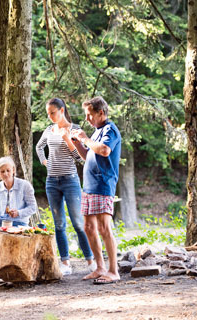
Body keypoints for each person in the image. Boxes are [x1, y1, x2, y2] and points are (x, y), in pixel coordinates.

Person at [35, 98, 95, 276]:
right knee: (59, 224)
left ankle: (90, 261)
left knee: (78, 223)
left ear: (62, 110)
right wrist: (45, 162)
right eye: (48, 113)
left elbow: (80, 158)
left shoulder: (74, 129)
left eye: (53, 112)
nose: (50, 116)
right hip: (52, 182)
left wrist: (68, 140)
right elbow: (39, 147)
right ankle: (66, 263)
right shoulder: (49, 130)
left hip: (70, 181)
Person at [70, 96, 121, 284]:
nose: (87, 119)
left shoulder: (110, 130)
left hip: (103, 184)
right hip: (89, 187)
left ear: (101, 113)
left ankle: (113, 270)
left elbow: (105, 151)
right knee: (89, 227)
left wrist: (85, 138)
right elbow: (88, 155)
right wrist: (77, 143)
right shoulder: (96, 132)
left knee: (104, 227)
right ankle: (100, 268)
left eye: (90, 115)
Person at [0, 156, 37, 241]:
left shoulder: (25, 185)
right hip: (0, 223)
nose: (6, 174)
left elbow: (33, 208)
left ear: (13, 170)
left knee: (18, 240)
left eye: (8, 170)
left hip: (20, 224)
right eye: (2, 171)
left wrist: (18, 213)